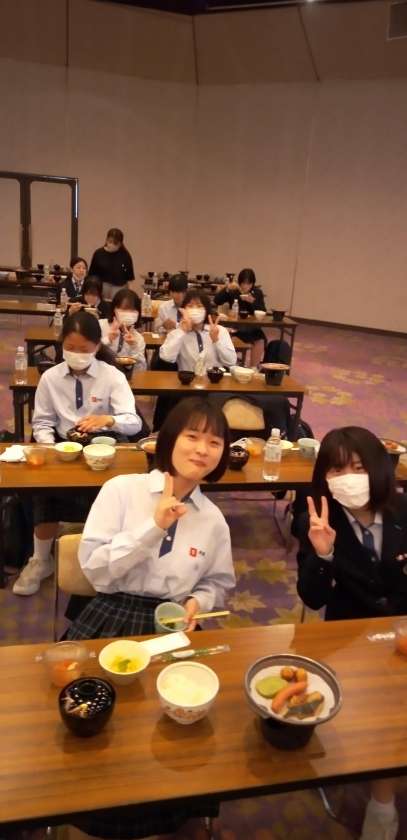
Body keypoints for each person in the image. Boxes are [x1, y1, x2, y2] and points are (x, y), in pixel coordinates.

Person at [297, 426, 406, 840]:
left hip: (402, 632)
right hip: (348, 636)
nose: (349, 478)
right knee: (385, 708)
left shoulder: (403, 510)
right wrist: (323, 553)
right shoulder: (316, 520)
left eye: (358, 468)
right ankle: (383, 801)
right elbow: (312, 598)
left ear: (377, 468)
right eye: (337, 470)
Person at [12, 311, 142, 597]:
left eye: (84, 349)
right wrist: (51, 447)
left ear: (97, 346)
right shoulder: (50, 378)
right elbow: (42, 423)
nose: (76, 354)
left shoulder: (112, 376)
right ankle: (41, 559)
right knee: (45, 492)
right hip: (63, 445)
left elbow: (134, 423)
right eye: (70, 348)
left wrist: (109, 419)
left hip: (105, 445)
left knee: (117, 495)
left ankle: (110, 556)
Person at [159, 289, 237, 371]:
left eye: (199, 306)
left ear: (206, 310)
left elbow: (231, 361)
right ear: (183, 310)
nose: (195, 310)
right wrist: (182, 332)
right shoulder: (177, 332)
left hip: (213, 377)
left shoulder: (219, 330)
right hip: (188, 377)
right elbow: (166, 357)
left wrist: (216, 340)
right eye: (190, 306)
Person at [214, 268, 266, 366]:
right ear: (239, 282)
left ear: (252, 283)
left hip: (251, 328)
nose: (245, 286)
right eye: (243, 283)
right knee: (225, 336)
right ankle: (229, 364)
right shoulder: (234, 291)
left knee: (260, 338)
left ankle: (253, 368)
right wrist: (227, 288)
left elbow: (263, 311)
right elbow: (217, 301)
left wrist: (252, 302)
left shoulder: (257, 293)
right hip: (235, 327)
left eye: (248, 283)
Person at [99, 288, 145, 369]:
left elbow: (141, 369)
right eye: (124, 309)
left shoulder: (138, 338)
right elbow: (90, 354)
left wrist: (134, 347)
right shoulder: (101, 326)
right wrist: (108, 339)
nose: (129, 313)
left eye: (133, 310)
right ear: (114, 309)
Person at [89, 228, 135, 300]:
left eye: (115, 243)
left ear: (120, 244)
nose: (111, 245)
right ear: (106, 240)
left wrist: (130, 295)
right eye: (110, 242)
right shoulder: (98, 253)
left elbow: (130, 278)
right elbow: (92, 274)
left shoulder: (125, 255)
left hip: (119, 288)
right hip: (102, 287)